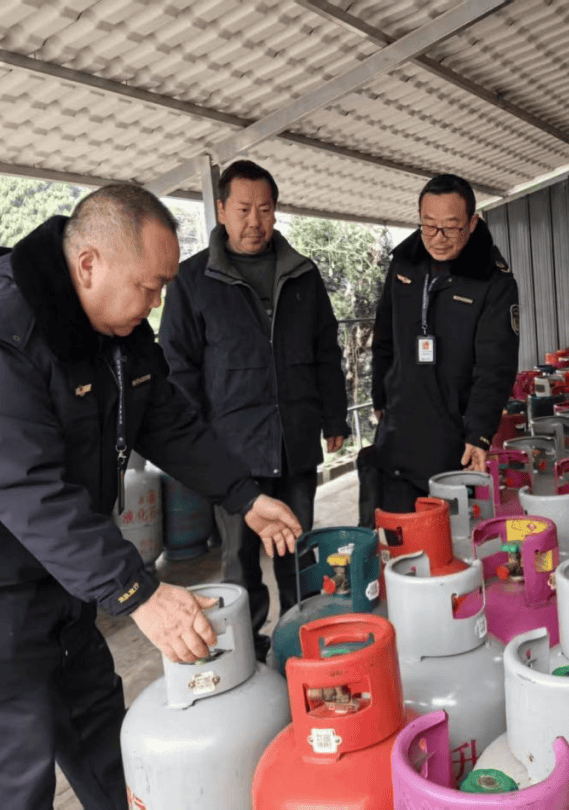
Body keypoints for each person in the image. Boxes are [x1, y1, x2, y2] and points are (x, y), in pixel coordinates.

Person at [0, 184, 302, 810]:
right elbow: (29, 491)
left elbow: (167, 420)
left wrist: (244, 496)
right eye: (149, 286)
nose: (155, 304)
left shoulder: (118, 332)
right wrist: (138, 593)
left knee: (108, 751)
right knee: (15, 786)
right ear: (89, 264)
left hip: (58, 581)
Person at [159, 160, 349, 661]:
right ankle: (249, 649)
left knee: (298, 546)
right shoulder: (193, 279)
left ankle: (300, 640)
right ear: (221, 210)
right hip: (231, 452)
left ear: (275, 211)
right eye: (243, 210)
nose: (254, 222)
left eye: (264, 209)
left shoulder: (302, 274)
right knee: (240, 558)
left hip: (295, 439)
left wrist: (335, 415)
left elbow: (326, 350)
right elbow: (178, 368)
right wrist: (195, 444)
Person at [368, 173, 520, 515]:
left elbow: (495, 366)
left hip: (452, 437)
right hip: (397, 430)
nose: (437, 238)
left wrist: (479, 434)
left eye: (450, 227)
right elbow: (383, 337)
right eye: (428, 225)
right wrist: (379, 394)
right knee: (395, 530)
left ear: (472, 223)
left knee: (448, 534)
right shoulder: (404, 263)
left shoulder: (493, 281)